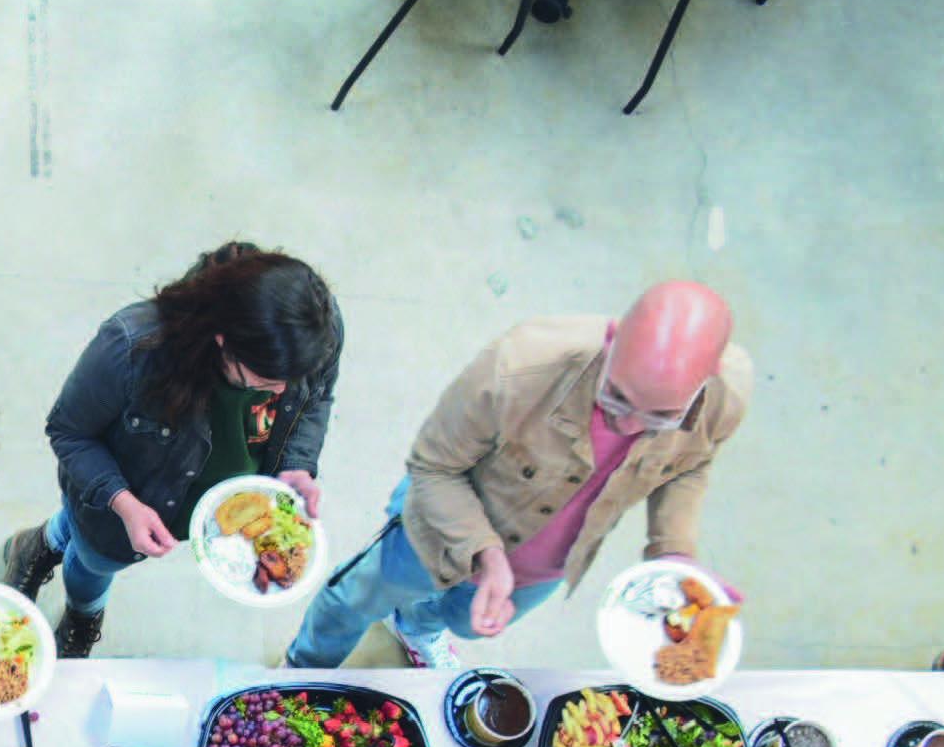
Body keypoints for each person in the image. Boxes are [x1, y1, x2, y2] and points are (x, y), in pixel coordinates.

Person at [288, 281, 749, 669]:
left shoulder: (727, 397)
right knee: (355, 599)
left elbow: (690, 464)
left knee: (465, 622)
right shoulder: (521, 365)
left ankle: (414, 628)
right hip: (439, 532)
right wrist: (486, 555)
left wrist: (674, 552)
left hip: (545, 568)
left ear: (710, 376)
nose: (628, 427)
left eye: (660, 417)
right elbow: (435, 466)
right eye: (617, 399)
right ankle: (301, 669)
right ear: (612, 338)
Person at [3, 243, 342, 658]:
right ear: (223, 339)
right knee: (96, 558)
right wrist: (125, 505)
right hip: (127, 499)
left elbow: (316, 400)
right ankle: (79, 607)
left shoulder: (311, 332)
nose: (284, 391)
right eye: (268, 379)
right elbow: (69, 432)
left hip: (213, 498)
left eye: (294, 378)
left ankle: (40, 544)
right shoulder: (132, 346)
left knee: (84, 538)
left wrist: (296, 466)